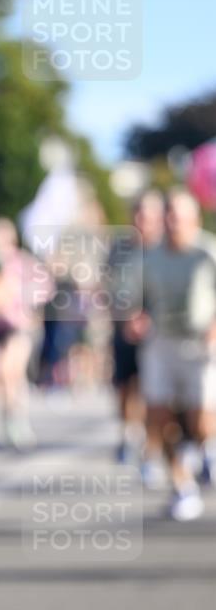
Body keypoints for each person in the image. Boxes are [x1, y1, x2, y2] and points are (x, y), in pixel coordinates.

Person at [128, 190, 216, 520]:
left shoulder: (208, 252)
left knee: (201, 421)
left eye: (179, 216)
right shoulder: (149, 257)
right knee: (158, 415)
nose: (173, 222)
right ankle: (182, 486)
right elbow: (134, 298)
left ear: (194, 219)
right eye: (169, 216)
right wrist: (136, 319)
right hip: (161, 343)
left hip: (199, 345)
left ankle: (203, 448)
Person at [108, 190, 164, 466]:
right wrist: (126, 315)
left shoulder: (167, 248)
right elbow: (110, 287)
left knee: (152, 391)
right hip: (124, 329)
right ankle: (129, 433)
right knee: (125, 387)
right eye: (140, 212)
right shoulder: (119, 248)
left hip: (160, 332)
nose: (144, 218)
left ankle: (150, 449)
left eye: (151, 213)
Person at [0, 217, 52, 447]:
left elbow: (45, 286)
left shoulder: (22, 262)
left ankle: (19, 420)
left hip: (18, 326)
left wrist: (24, 298)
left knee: (12, 372)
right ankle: (3, 419)